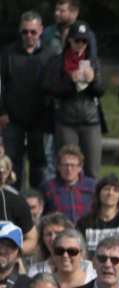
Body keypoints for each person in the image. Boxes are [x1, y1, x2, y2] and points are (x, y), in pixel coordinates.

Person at [0, 11, 54, 190]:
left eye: (33, 31)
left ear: (41, 30)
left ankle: (37, 202)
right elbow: (2, 85)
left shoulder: (49, 54)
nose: (29, 36)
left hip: (40, 120)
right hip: (13, 120)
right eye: (25, 32)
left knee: (39, 164)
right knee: (13, 164)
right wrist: (2, 112)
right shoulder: (8, 53)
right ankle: (14, 202)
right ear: (19, 31)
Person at [42, 22, 103, 179]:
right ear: (69, 40)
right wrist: (70, 80)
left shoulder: (94, 63)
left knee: (92, 170)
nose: (80, 45)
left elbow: (100, 91)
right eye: (77, 41)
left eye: (84, 41)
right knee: (67, 168)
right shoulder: (58, 62)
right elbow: (53, 90)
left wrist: (93, 81)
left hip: (90, 120)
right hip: (67, 120)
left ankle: (90, 202)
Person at [76, 177, 119, 257]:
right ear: (98, 193)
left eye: (115, 190)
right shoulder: (85, 222)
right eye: (106, 189)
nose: (110, 193)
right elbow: (78, 251)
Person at [38, 145, 95, 223]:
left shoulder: (92, 186)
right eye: (65, 165)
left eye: (73, 165)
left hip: (85, 231)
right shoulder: (46, 187)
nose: (69, 169)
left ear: (80, 167)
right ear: (58, 166)